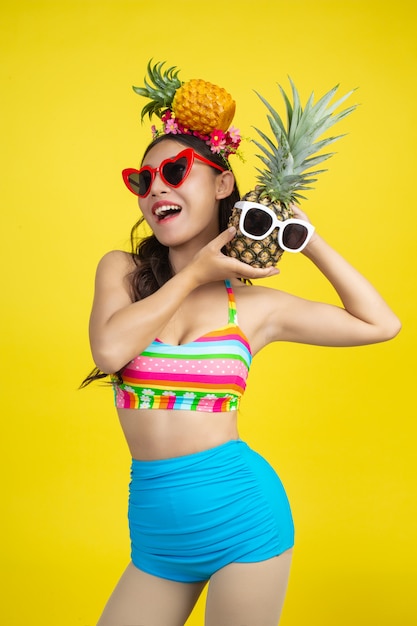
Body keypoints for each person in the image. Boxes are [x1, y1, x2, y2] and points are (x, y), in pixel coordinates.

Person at [83, 118, 400, 624]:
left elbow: (380, 323)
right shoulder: (121, 272)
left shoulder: (253, 309)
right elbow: (109, 351)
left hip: (243, 522)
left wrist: (304, 235)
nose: (156, 187)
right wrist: (194, 275)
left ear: (223, 183)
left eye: (175, 170)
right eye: (143, 181)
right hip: (156, 537)